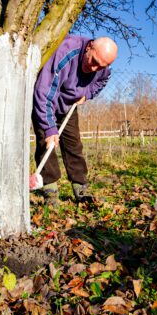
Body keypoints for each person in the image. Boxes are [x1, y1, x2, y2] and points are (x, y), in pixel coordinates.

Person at [32, 35, 118, 206]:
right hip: (46, 102)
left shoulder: (102, 67)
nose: (94, 68)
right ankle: (50, 191)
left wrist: (88, 94)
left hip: (68, 105)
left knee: (74, 144)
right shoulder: (66, 53)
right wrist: (49, 128)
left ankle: (80, 187)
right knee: (46, 143)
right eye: (93, 61)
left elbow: (102, 80)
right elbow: (43, 93)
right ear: (89, 47)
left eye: (100, 66)